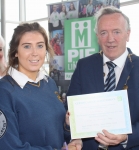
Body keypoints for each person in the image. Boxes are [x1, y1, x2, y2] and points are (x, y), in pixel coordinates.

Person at [67, 6, 139, 150]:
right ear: (97, 37)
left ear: (128, 34)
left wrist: (126, 137)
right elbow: (69, 109)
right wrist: (73, 129)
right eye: (103, 32)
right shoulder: (84, 66)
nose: (110, 39)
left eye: (116, 32)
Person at [0, 22, 82, 150]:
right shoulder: (4, 91)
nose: (35, 53)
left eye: (40, 46)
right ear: (15, 52)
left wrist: (68, 127)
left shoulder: (49, 83)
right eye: (27, 46)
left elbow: (54, 133)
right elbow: (8, 146)